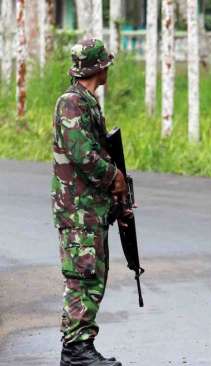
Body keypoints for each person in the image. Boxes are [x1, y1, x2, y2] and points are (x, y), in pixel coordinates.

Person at [52, 38, 126, 366]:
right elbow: (83, 155)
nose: (108, 68)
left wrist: (115, 198)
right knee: (81, 277)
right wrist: (115, 177)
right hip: (77, 210)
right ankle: (75, 351)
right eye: (106, 64)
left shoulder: (87, 101)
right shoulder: (71, 103)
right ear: (99, 67)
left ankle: (82, 346)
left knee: (93, 275)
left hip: (90, 208)